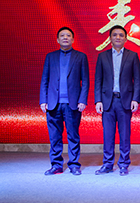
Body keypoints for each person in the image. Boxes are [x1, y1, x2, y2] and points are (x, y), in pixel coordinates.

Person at [39, 26, 89, 175]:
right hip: (53, 103)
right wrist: (43, 100)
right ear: (57, 39)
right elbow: (45, 80)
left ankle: (74, 165)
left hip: (72, 103)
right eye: (62, 35)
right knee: (54, 136)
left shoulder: (81, 57)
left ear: (73, 39)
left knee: (73, 135)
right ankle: (56, 165)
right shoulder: (50, 56)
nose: (65, 38)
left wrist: (82, 100)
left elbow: (85, 81)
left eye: (68, 35)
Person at [94, 24, 140, 175]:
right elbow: (98, 80)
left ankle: (124, 164)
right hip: (107, 101)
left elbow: (137, 80)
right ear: (110, 38)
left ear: (126, 38)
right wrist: (98, 100)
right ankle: (107, 164)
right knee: (108, 135)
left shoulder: (132, 56)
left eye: (121, 35)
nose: (118, 37)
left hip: (125, 101)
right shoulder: (102, 56)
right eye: (115, 35)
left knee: (125, 135)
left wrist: (135, 99)